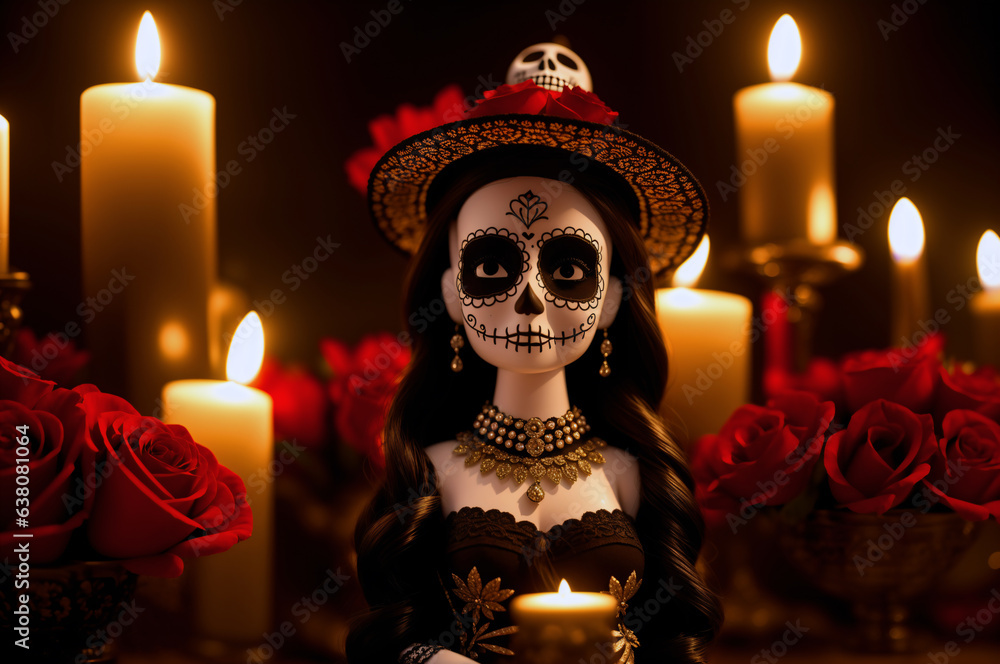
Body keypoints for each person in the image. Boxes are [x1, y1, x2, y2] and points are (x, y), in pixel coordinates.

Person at [347, 44, 721, 664]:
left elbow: (668, 635)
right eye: (492, 265)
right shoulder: (429, 471)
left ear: (610, 303)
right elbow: (392, 638)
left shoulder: (633, 476)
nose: (529, 302)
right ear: (452, 296)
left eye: (568, 267)